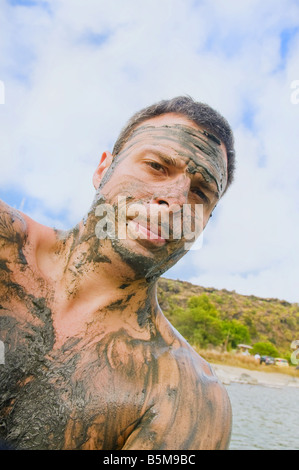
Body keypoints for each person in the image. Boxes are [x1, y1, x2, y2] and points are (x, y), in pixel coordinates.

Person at [0, 96, 235, 450]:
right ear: (102, 169)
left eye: (201, 193)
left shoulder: (187, 398)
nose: (175, 200)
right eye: (157, 166)